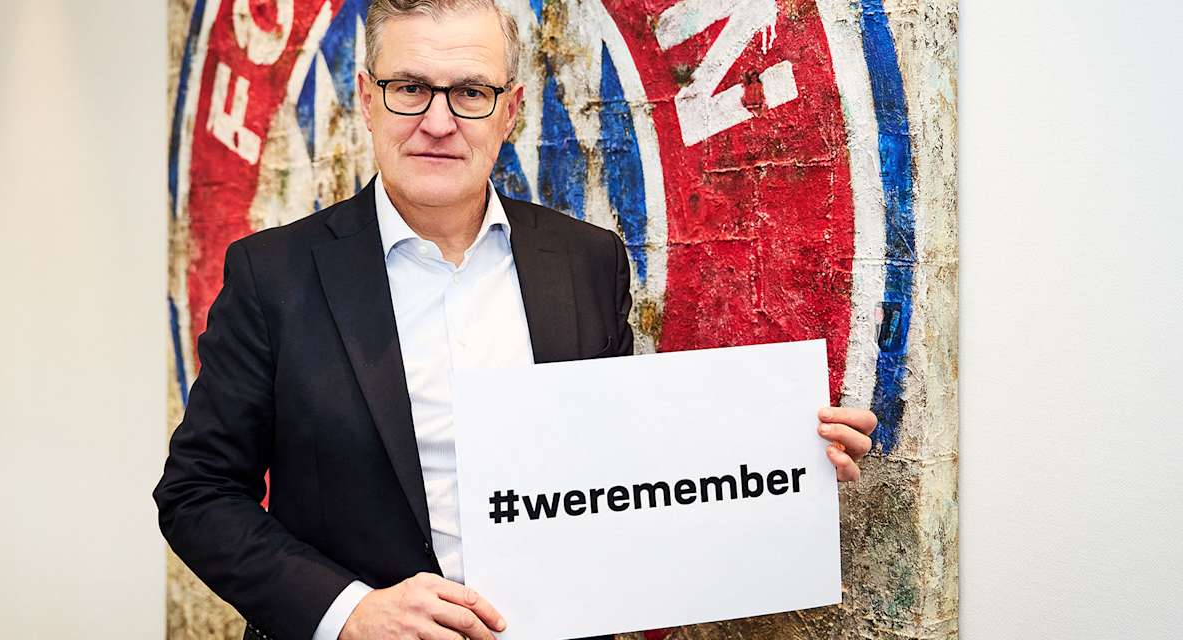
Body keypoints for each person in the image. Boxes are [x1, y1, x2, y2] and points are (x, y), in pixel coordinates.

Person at [153, 0, 879, 638]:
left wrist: (784, 457)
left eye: (469, 91)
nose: (438, 122)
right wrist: (350, 613)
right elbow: (197, 494)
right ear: (368, 101)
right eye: (409, 89)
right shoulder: (271, 275)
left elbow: (621, 469)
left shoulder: (587, 260)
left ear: (512, 108)